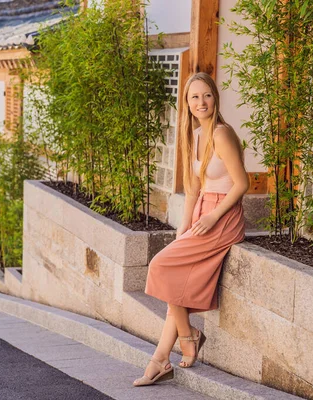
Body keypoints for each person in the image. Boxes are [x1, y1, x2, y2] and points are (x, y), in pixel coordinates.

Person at [133, 72, 248, 387]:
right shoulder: (195, 135)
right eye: (194, 97)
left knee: (161, 267)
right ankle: (160, 360)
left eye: (207, 95)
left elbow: (242, 184)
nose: (201, 102)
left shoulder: (222, 134)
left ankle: (188, 336)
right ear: (187, 102)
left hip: (223, 216)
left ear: (215, 98)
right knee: (175, 284)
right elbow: (194, 190)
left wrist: (213, 217)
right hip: (201, 213)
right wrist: (181, 231)